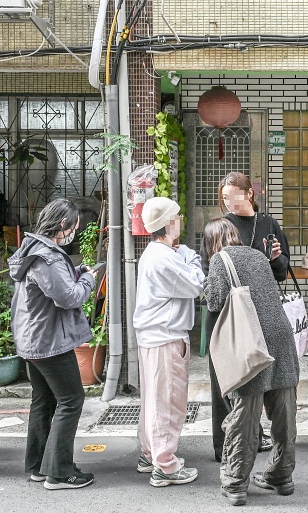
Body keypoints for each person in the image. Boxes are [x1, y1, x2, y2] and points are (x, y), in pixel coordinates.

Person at [202, 219, 299, 506]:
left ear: (212, 243)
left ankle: (236, 484)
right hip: (281, 338)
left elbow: (215, 301)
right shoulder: (258, 255)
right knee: (284, 412)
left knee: (245, 413)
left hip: (250, 342)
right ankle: (281, 476)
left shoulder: (220, 259)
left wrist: (206, 282)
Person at [8, 198, 103, 490]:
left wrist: (74, 274)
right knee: (71, 400)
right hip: (49, 341)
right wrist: (87, 279)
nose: (75, 231)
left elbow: (53, 288)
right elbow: (69, 297)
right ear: (63, 225)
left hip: (33, 338)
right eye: (75, 226)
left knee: (44, 400)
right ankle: (60, 473)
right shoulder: (47, 256)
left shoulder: (32, 249)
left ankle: (38, 465)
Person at [210, 171, 287, 459]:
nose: (230, 202)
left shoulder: (267, 223)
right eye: (225, 197)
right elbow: (214, 269)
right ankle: (226, 442)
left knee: (258, 375)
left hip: (262, 311)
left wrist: (278, 259)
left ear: (250, 194)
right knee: (229, 376)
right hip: (232, 311)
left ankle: (255, 434)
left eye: (235, 195)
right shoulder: (221, 226)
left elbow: (281, 272)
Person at [134, 197, 203, 487]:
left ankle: (150, 453)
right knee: (168, 401)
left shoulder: (155, 253)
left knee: (153, 398)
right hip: (166, 337)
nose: (182, 219)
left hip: (154, 336)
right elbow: (197, 284)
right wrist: (192, 257)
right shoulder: (165, 259)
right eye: (177, 216)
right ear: (168, 224)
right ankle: (165, 466)